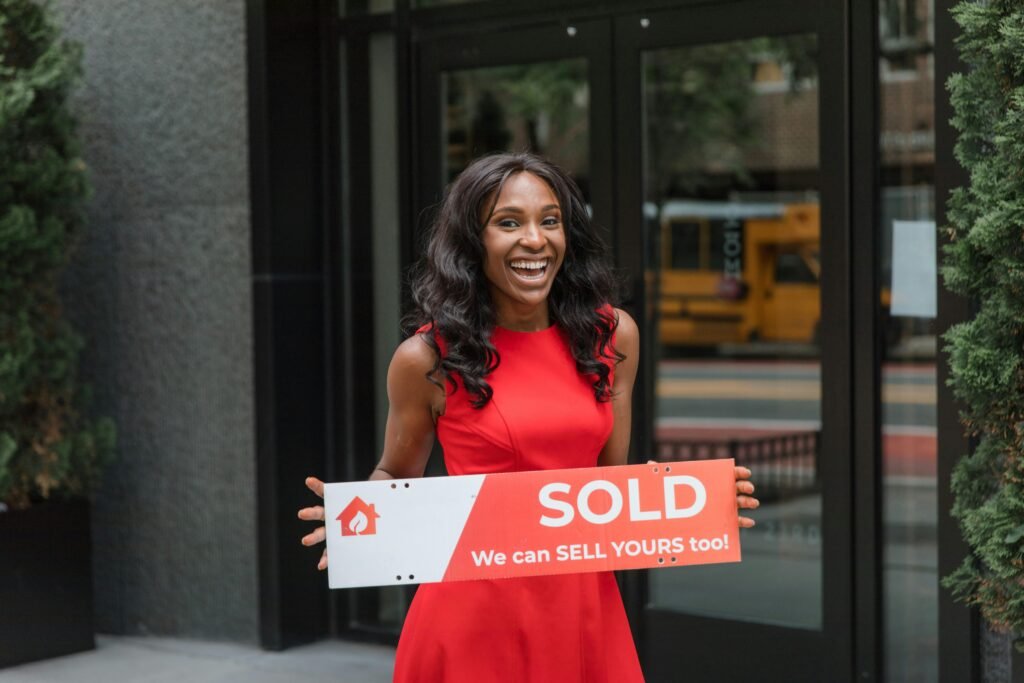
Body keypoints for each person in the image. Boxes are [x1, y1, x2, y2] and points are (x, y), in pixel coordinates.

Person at [298, 152, 759, 682]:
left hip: (584, 604)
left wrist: (696, 505)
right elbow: (396, 474)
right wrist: (353, 524)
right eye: (508, 223)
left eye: (551, 220)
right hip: (474, 614)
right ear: (473, 242)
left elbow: (608, 487)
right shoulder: (425, 359)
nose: (535, 241)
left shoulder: (612, 338)